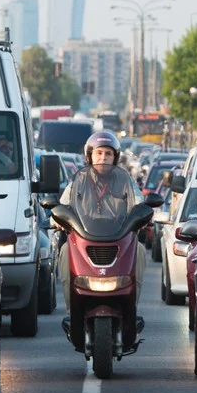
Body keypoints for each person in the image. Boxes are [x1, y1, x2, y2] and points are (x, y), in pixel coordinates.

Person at [56, 131, 145, 312]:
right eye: (99, 153)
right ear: (90, 156)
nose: (103, 158)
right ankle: (71, 309)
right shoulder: (77, 181)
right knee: (65, 251)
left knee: (141, 250)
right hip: (83, 240)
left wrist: (143, 216)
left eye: (108, 154)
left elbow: (139, 204)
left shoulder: (125, 180)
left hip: (119, 240)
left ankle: (130, 307)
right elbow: (63, 205)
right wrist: (55, 218)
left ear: (115, 158)